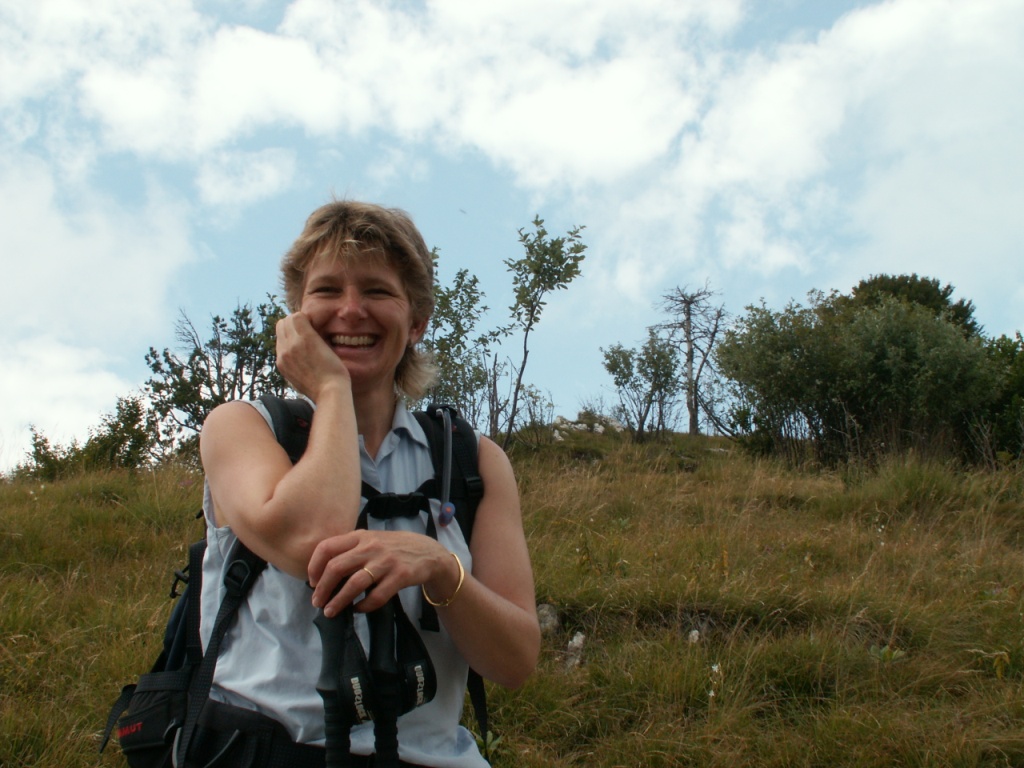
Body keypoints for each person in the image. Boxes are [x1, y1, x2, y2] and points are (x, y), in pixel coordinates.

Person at [196, 200, 541, 767]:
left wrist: (440, 569)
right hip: (265, 750)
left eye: (378, 291)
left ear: (416, 321)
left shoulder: (472, 461)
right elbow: (313, 538)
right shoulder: (243, 428)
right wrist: (332, 390)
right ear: (297, 317)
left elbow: (515, 661)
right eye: (327, 290)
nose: (351, 310)